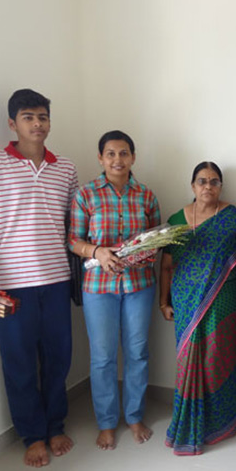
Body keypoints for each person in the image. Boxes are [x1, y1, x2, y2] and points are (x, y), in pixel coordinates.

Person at [0, 89, 78, 467]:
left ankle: (55, 425)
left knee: (58, 358)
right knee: (17, 362)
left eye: (43, 116)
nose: (38, 123)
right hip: (9, 284)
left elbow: (73, 226)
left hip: (56, 280)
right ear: (13, 123)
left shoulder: (66, 168)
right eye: (29, 117)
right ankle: (32, 434)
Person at [69, 130, 160, 450]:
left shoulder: (146, 196)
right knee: (103, 357)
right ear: (100, 158)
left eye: (124, 153)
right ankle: (107, 422)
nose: (117, 160)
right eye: (110, 154)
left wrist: (146, 251)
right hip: (98, 288)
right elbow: (73, 240)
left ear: (133, 157)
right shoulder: (86, 195)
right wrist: (97, 252)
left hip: (139, 285)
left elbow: (155, 240)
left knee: (137, 352)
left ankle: (134, 416)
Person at [159, 161, 236, 455]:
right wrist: (163, 301)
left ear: (220, 186)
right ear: (192, 185)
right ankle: (190, 419)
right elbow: (166, 265)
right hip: (186, 302)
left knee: (218, 359)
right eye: (202, 181)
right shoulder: (176, 219)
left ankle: (224, 419)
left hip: (225, 301)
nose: (208, 187)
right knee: (189, 360)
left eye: (214, 182)